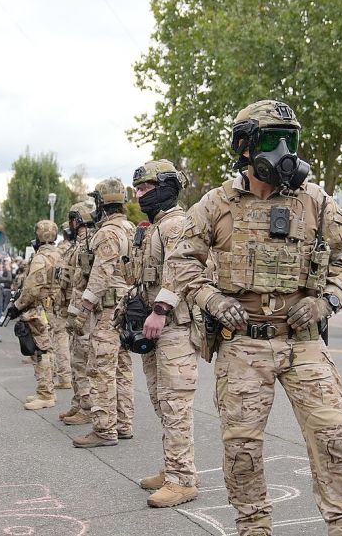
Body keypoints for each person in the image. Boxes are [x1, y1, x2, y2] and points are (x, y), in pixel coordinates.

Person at [157, 100, 342, 535]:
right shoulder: (217, 204)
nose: (285, 151)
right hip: (242, 344)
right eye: (274, 140)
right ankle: (254, 527)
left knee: (334, 440)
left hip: (302, 340)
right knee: (242, 450)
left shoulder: (317, 202)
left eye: (291, 140)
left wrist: (328, 299)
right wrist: (212, 301)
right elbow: (182, 262)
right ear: (246, 147)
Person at [129, 160, 200, 508]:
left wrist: (160, 309)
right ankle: (173, 468)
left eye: (146, 188)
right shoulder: (156, 227)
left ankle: (183, 480)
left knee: (175, 403)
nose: (141, 194)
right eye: (138, 189)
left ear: (167, 186)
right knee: (161, 401)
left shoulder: (177, 225)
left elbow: (182, 270)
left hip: (174, 327)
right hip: (155, 327)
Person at [68, 178, 136, 448]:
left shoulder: (107, 232)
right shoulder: (130, 228)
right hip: (127, 307)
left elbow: (100, 275)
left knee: (101, 369)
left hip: (108, 310)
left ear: (101, 203)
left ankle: (105, 429)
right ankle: (124, 423)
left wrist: (82, 311)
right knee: (122, 367)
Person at [12, 221, 63, 410]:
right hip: (57, 308)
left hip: (40, 310)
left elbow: (32, 288)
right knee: (51, 349)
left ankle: (46, 393)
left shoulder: (41, 258)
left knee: (40, 351)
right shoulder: (62, 254)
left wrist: (17, 306)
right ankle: (46, 389)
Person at [59, 202, 97, 427]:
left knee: (82, 360)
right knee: (77, 358)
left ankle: (87, 406)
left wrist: (78, 312)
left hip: (84, 310)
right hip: (79, 307)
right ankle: (79, 401)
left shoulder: (87, 244)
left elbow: (82, 280)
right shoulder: (83, 243)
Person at [50, 223, 74, 389]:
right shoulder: (81, 245)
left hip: (63, 300)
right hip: (79, 299)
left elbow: (56, 276)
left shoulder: (60, 251)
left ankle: (65, 376)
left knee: (60, 337)